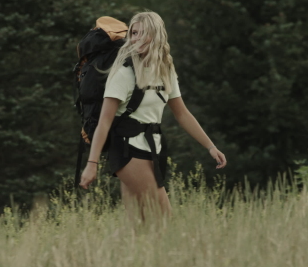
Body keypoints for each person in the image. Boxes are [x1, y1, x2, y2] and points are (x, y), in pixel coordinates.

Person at [79, 11, 226, 218]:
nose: (136, 38)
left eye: (142, 33)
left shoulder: (166, 70)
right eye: (133, 33)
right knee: (163, 216)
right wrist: (92, 164)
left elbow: (182, 113)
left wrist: (210, 146)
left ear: (156, 35)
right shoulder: (124, 73)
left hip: (152, 147)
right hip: (127, 147)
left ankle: (98, 252)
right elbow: (105, 121)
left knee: (138, 224)